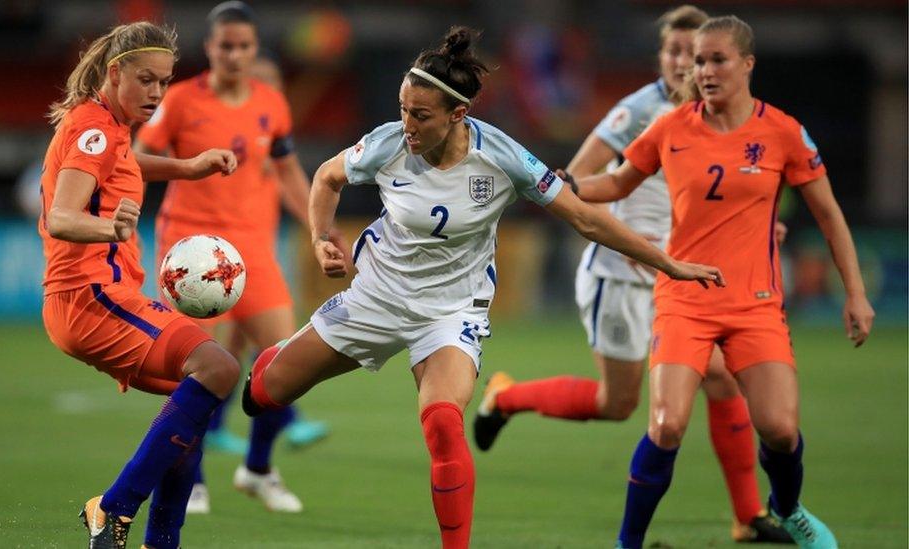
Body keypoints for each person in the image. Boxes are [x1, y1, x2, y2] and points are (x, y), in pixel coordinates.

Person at [239, 26, 722, 549]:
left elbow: (585, 219)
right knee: (264, 395)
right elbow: (327, 179)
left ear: (457, 115)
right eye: (402, 109)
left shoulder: (503, 158)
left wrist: (669, 263)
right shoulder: (384, 143)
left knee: (443, 422)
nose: (407, 125)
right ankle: (267, 367)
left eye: (420, 115)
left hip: (451, 310)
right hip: (374, 298)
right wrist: (318, 238)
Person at [472, 6, 791, 544]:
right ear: (663, 57)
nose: (683, 63)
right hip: (621, 276)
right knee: (616, 404)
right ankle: (505, 397)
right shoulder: (637, 113)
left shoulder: (719, 117)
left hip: (682, 280)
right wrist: (632, 243)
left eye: (694, 55)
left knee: (722, 378)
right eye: (673, 52)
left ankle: (747, 515)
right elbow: (572, 179)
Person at [564, 15, 873, 549]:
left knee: (779, 429)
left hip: (755, 304)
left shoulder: (782, 132)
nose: (702, 70)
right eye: (699, 61)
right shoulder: (669, 127)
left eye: (716, 59)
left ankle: (787, 507)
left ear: (747, 64)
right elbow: (616, 182)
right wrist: (560, 184)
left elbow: (828, 216)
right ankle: (627, 543)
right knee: (665, 425)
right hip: (684, 299)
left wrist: (855, 293)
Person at [40, 21, 243, 548]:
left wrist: (188, 167)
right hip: (92, 296)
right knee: (218, 367)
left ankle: (161, 543)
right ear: (115, 72)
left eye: (164, 82)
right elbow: (61, 217)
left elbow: (122, 165)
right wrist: (113, 228)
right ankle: (112, 508)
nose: (156, 93)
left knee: (193, 401)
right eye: (146, 80)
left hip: (94, 299)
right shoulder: (96, 130)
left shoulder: (108, 125)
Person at [135, 1, 340, 514]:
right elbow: (135, 159)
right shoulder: (179, 100)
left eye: (244, 45)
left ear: (253, 49)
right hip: (191, 248)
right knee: (199, 369)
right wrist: (189, 166)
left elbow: (290, 172)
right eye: (225, 45)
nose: (234, 54)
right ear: (210, 49)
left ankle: (258, 467)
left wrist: (319, 229)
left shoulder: (271, 101)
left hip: (251, 247)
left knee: (285, 364)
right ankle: (192, 477)